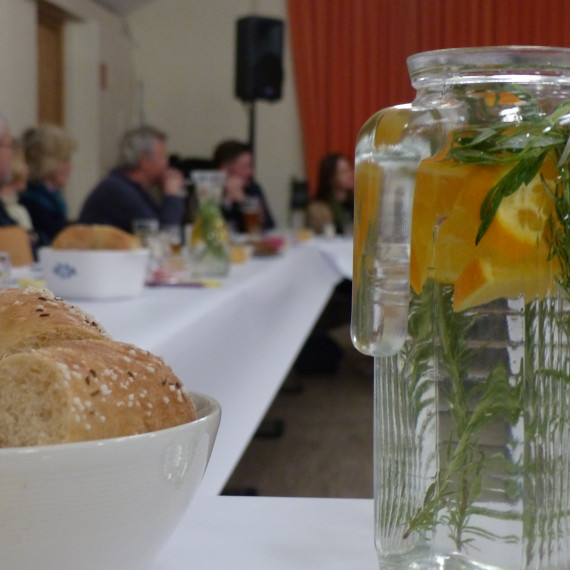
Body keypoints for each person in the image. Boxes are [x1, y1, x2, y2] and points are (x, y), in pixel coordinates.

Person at [79, 125, 185, 233]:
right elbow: (163, 237)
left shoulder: (132, 189)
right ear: (144, 161)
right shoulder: (116, 190)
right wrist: (172, 196)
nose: (166, 164)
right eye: (162, 156)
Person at [19, 124, 74, 245]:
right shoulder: (30, 203)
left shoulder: (55, 200)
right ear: (46, 162)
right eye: (64, 160)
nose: (70, 166)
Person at [212, 140, 275, 233]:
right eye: (245, 166)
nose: (250, 172)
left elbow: (269, 227)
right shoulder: (209, 190)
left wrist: (245, 202)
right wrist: (227, 202)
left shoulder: (253, 188)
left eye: (251, 166)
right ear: (225, 169)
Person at [306, 152, 354, 235]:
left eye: (349, 169)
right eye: (343, 172)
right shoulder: (318, 209)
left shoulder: (359, 202)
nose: (350, 175)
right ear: (330, 178)